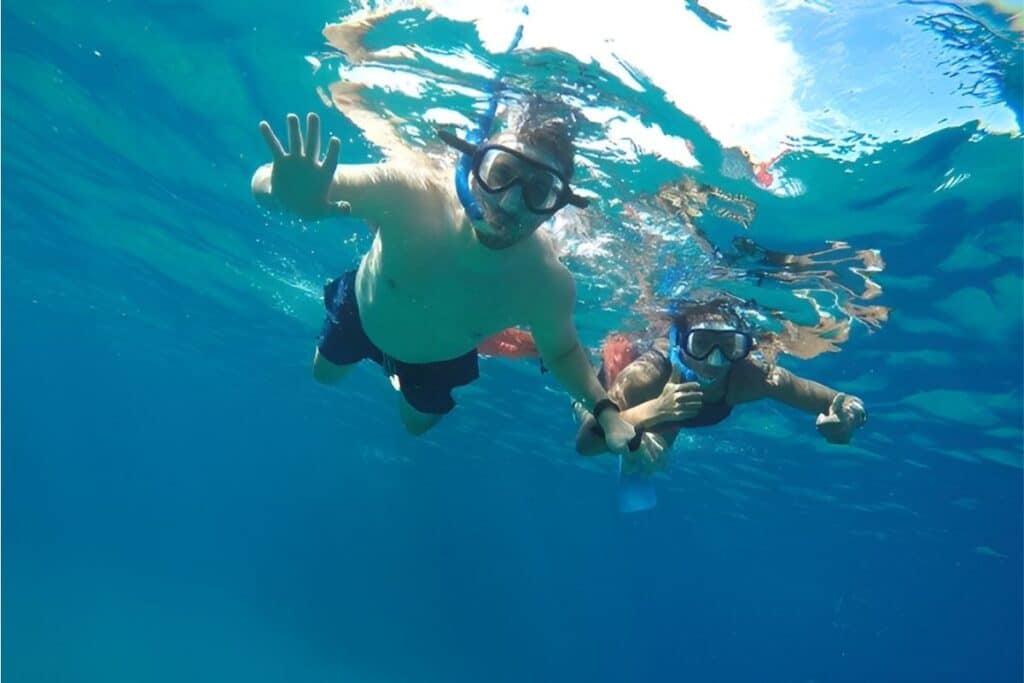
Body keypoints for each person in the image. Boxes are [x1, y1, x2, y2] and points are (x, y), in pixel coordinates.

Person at [250, 105, 636, 452]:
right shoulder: (410, 193)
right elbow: (268, 182)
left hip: (438, 361)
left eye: (539, 192)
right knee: (323, 376)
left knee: (414, 429)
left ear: (556, 208)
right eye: (502, 173)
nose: (511, 203)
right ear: (473, 166)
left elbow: (562, 351)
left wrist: (605, 411)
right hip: (362, 314)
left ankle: (405, 386)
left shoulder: (546, 282)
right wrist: (286, 192)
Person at [571, 297, 867, 463]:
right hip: (647, 401)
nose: (715, 361)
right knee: (597, 400)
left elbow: (842, 402)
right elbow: (585, 445)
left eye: (730, 347)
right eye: (701, 344)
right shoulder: (647, 376)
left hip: (673, 410)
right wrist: (655, 410)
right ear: (678, 342)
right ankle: (578, 379)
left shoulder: (750, 378)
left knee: (656, 451)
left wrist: (849, 419)